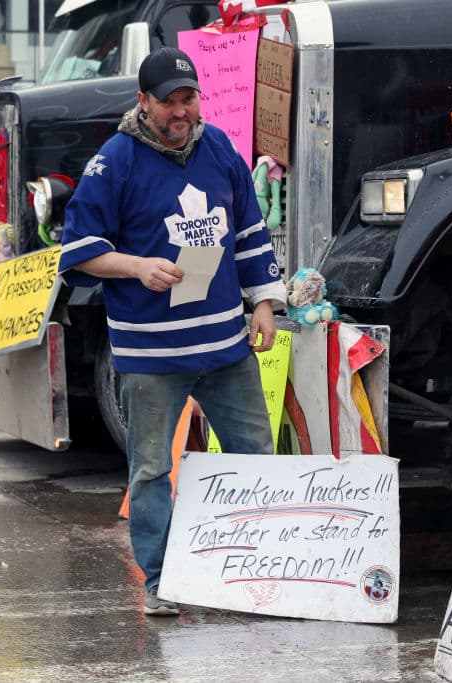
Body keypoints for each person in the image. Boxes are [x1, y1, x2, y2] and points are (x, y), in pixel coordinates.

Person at [58, 46, 285, 616]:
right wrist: (137, 266)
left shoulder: (219, 150)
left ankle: (259, 564)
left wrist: (264, 303)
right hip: (150, 352)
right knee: (153, 468)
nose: (181, 112)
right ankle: (160, 580)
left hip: (226, 345)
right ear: (143, 102)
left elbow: (251, 231)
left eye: (189, 98)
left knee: (256, 454)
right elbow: (79, 252)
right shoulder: (114, 162)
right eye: (169, 102)